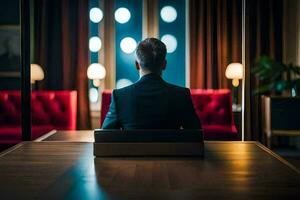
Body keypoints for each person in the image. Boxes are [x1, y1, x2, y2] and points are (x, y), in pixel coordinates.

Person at [102, 38, 201, 129]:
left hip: (134, 149)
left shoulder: (120, 96)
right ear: (164, 64)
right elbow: (196, 134)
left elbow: (105, 136)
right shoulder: (181, 95)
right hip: (169, 149)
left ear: (137, 65)